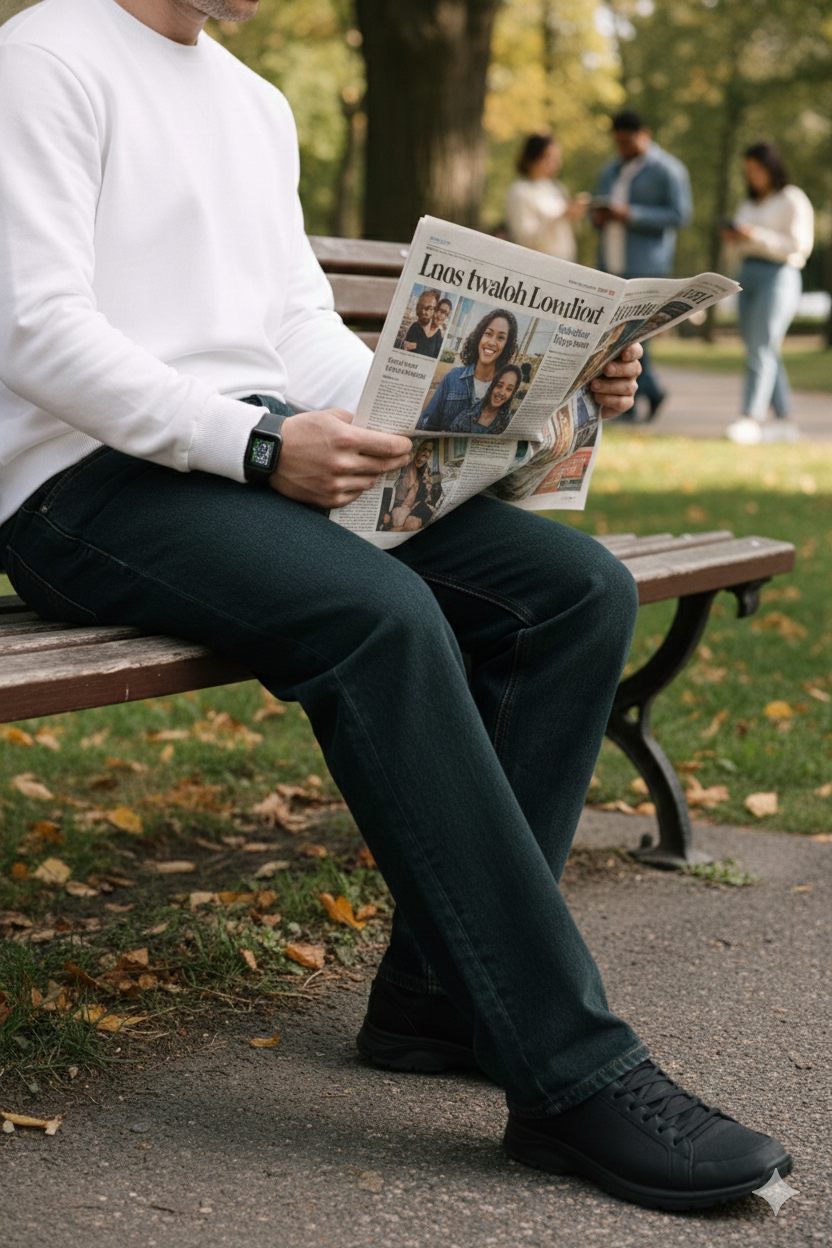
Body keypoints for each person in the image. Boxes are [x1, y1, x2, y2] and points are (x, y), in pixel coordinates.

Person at [0, 0, 790, 1213]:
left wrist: (538, 392)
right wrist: (260, 448)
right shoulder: (45, 55)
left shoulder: (253, 103)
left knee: (570, 592)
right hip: (82, 486)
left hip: (249, 456)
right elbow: (35, 326)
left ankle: (438, 998)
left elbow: (293, 330)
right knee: (382, 614)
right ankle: (568, 1071)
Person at [593, 110, 692, 422]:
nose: (621, 147)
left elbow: (680, 215)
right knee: (618, 337)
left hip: (646, 265)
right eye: (617, 142)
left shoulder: (668, 170)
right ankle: (646, 394)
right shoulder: (610, 170)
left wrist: (631, 214)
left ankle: (639, 397)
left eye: (627, 141)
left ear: (643, 134)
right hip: (610, 262)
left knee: (636, 334)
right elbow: (596, 208)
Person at [722, 143, 814, 445]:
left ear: (771, 166)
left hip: (779, 276)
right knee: (761, 349)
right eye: (747, 171)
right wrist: (736, 237)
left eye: (756, 169)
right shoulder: (748, 203)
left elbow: (799, 246)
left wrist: (756, 235)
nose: (752, 176)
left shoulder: (792, 199)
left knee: (761, 347)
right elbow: (739, 246)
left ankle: (751, 418)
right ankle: (785, 421)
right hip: (747, 275)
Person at [416, 309, 518, 432]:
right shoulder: (453, 378)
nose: (491, 342)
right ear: (480, 336)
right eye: (488, 334)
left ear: (506, 346)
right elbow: (426, 425)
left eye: (501, 337)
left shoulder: (504, 391)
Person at [505, 134, 589, 263]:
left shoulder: (556, 187)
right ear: (533, 159)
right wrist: (561, 215)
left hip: (567, 259)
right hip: (540, 261)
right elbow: (524, 238)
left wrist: (574, 214)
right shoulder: (520, 191)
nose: (556, 163)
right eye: (550, 158)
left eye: (557, 158)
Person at [378, 440, 441, 532]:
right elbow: (386, 489)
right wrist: (384, 512)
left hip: (419, 506)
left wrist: (429, 487)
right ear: (415, 449)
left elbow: (434, 495)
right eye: (423, 449)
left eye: (429, 451)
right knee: (398, 520)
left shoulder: (428, 473)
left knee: (412, 524)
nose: (426, 454)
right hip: (400, 507)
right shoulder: (401, 467)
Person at [447, 364, 522, 435]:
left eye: (509, 389)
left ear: (512, 393)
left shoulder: (507, 424)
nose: (502, 393)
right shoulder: (468, 410)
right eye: (499, 386)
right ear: (492, 385)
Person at [402, 288, 444, 359]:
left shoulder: (438, 333)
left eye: (430, 309)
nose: (424, 312)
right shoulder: (415, 328)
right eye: (422, 307)